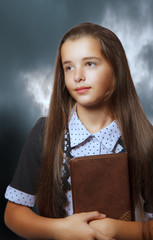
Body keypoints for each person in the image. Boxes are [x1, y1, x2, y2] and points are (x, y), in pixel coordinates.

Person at [4, 22, 153, 240]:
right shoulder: (45, 133)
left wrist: (120, 230)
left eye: (90, 64)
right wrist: (60, 229)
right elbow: (13, 214)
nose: (78, 76)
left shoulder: (144, 139)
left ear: (116, 69)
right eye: (69, 67)